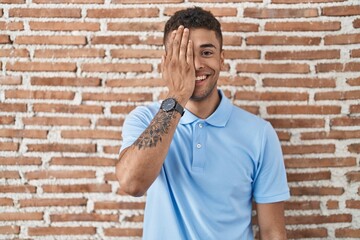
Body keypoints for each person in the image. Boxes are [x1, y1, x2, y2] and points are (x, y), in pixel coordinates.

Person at [116, 7, 290, 240]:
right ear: (167, 62)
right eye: (184, 54)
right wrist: (178, 95)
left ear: (221, 58)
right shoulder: (144, 119)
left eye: (206, 52)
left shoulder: (260, 133)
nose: (196, 64)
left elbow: (272, 232)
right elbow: (132, 183)